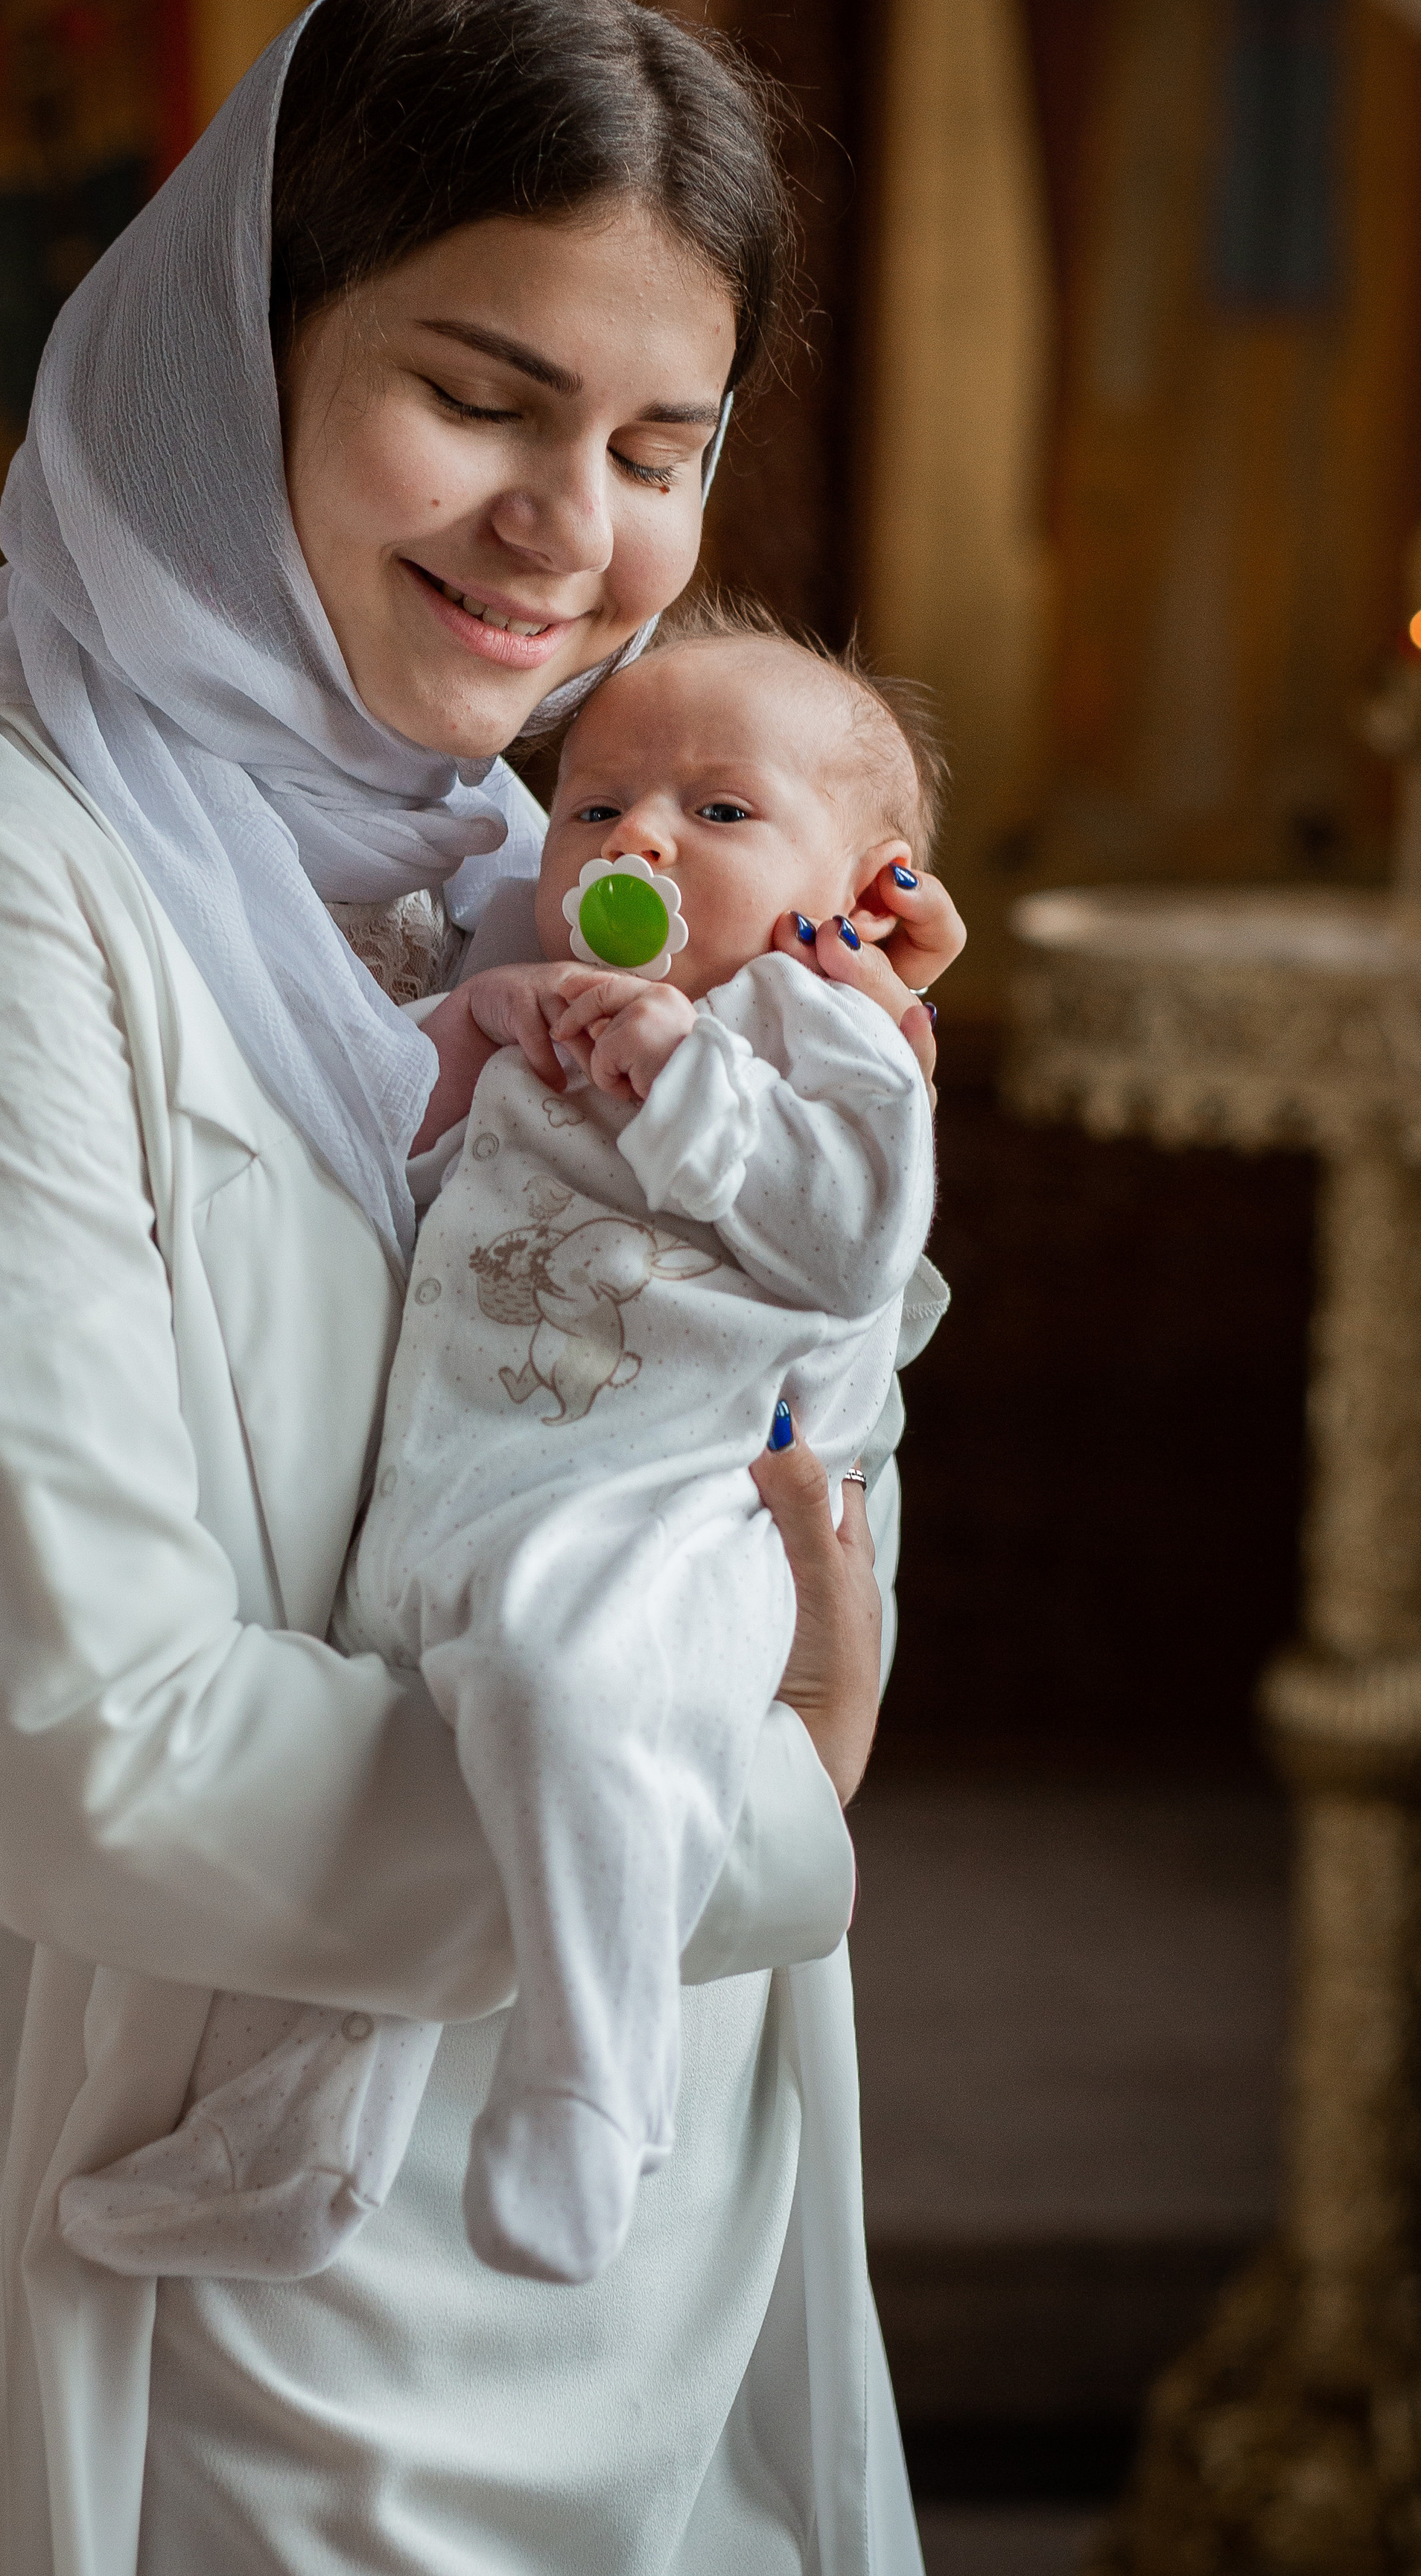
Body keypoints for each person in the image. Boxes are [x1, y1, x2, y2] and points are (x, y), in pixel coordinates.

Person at [0, 0, 950, 2576]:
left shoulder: (535, 864)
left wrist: (831, 1064)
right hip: (275, 2364)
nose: (573, 531)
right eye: (480, 394)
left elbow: (751, 1414)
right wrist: (779, 1798)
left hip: (678, 2240)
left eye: (661, 444)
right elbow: (92, 1762)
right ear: (235, 347)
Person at [60, 610, 959, 2298]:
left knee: (558, 1688)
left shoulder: (809, 1028)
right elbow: (376, 1202)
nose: (637, 841)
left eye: (719, 812)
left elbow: (847, 1247)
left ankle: (592, 2080)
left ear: (855, 887)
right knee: (395, 1786)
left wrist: (694, 1082)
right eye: (595, 805)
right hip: (460, 1490)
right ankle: (291, 2146)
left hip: (655, 1512)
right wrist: (470, 1035)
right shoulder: (546, 1000)